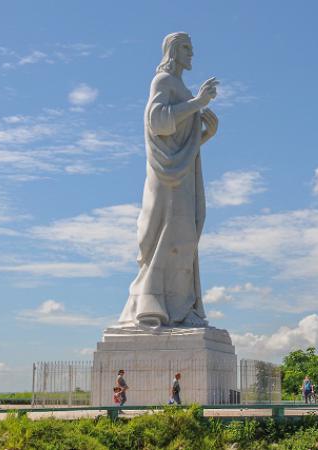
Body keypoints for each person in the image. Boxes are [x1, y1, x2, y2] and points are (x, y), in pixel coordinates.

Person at [118, 32, 219, 328]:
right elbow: (158, 121)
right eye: (187, 48)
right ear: (174, 51)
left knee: (184, 237)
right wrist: (198, 102)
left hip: (183, 173)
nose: (192, 54)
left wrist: (204, 136)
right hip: (167, 177)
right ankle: (154, 303)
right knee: (168, 234)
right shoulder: (163, 82)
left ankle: (180, 305)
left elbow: (181, 140)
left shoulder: (181, 87)